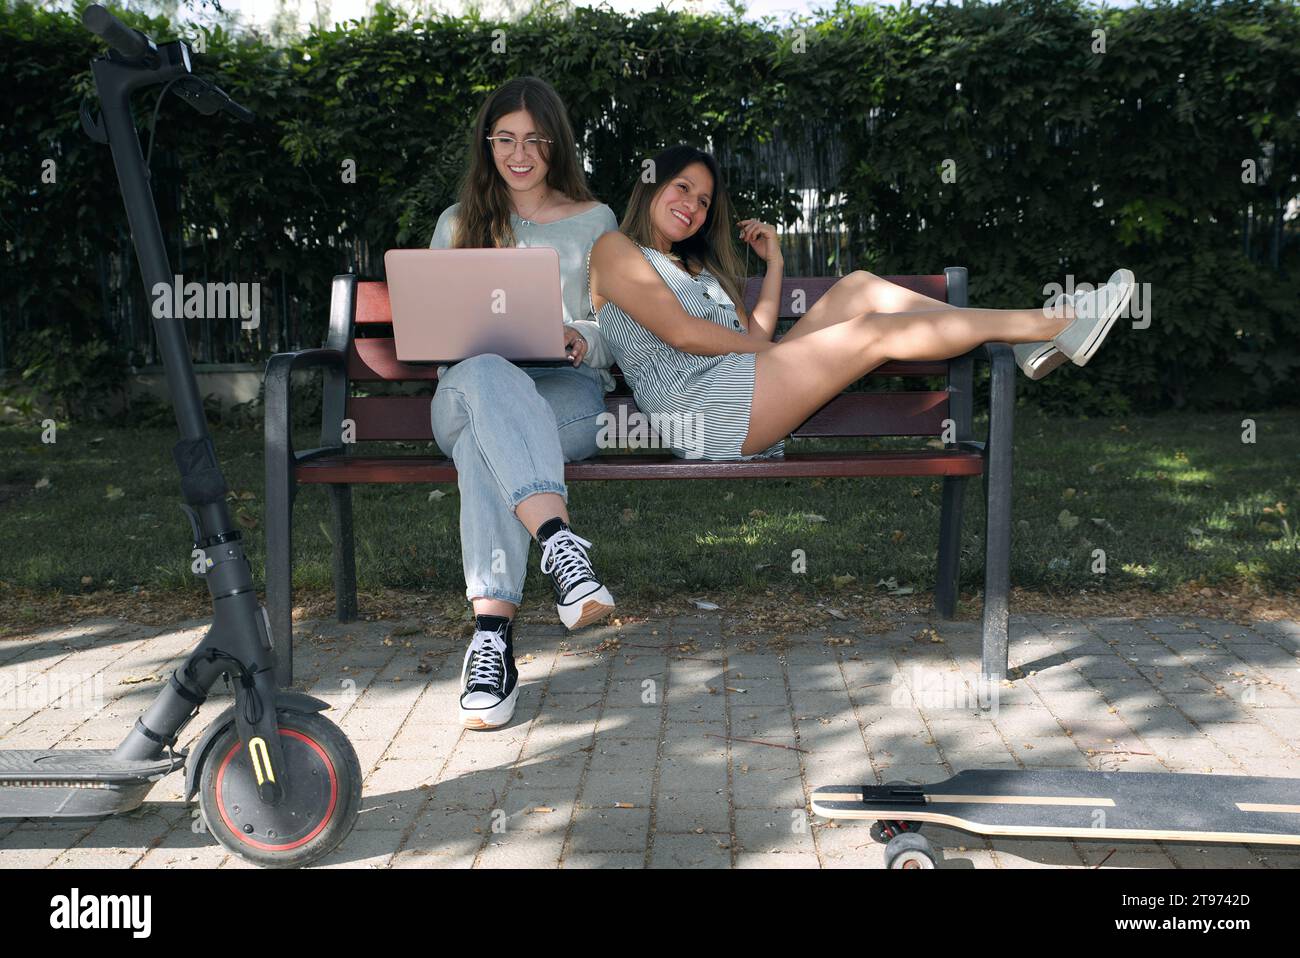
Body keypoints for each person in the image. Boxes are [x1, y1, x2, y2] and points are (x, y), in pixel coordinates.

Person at [588, 144, 1135, 463]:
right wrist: (761, 347)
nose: (693, 207)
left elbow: (753, 331)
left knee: (859, 287)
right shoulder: (614, 249)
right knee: (874, 328)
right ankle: (1053, 321)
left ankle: (1030, 340)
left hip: (738, 386)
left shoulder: (696, 268)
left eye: (704, 200)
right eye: (682, 189)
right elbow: (684, 335)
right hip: (699, 412)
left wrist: (774, 263)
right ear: (651, 186)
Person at [428, 77, 617, 729]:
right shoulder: (457, 224)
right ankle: (560, 545)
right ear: (488, 144)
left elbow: (611, 326)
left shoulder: (596, 221)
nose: (519, 153)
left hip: (562, 395)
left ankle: (491, 644)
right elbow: (431, 324)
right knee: (485, 376)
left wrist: (580, 337)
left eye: (534, 139)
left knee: (489, 449)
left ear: (555, 145)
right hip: (467, 389)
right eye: (505, 138)